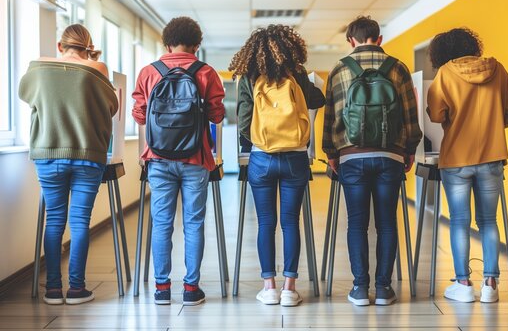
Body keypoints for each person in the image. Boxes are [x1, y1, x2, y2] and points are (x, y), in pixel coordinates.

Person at [322, 16, 422, 306]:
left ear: (351, 40)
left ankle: (359, 288)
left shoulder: (340, 68)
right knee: (387, 223)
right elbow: (409, 115)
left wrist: (331, 154)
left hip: (352, 157)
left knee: (357, 224)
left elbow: (331, 117)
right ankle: (384, 289)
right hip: (390, 155)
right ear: (379, 39)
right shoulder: (398, 67)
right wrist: (409, 149)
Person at [18, 24, 118, 305]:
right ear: (88, 46)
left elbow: (25, 95)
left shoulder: (38, 68)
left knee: (54, 222)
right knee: (80, 222)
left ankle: (52, 289)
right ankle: (77, 289)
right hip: (88, 156)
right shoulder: (98, 68)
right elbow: (112, 107)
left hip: (48, 154)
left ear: (60, 46)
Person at [132, 16, 225, 306]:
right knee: (194, 223)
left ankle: (161, 288)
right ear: (197, 45)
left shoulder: (149, 72)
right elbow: (217, 115)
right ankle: (190, 288)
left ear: (166, 42)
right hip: (195, 158)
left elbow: (138, 114)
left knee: (162, 223)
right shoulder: (206, 72)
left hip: (158, 159)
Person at [231, 25, 325, 307]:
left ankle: (269, 287)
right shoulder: (296, 74)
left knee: (265, 223)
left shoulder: (249, 77)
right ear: (290, 49)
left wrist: (261, 139)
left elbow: (244, 122)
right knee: (290, 222)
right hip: (295, 156)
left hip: (261, 158)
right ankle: (289, 289)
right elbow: (318, 100)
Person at [427, 28, 508, 303]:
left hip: (456, 159)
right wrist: (488, 125)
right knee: (489, 221)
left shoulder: (444, 73)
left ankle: (463, 284)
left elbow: (436, 114)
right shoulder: (498, 70)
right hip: (491, 157)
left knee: (459, 221)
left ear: (443, 52)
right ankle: (490, 284)